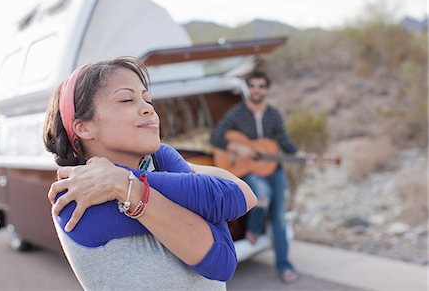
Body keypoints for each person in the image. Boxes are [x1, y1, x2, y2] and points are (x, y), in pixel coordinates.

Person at [43, 56, 257, 290]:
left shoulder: (160, 158)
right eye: (126, 99)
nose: (148, 108)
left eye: (147, 99)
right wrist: (125, 183)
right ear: (84, 127)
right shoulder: (76, 200)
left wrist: (123, 181)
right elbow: (223, 262)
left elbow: (237, 196)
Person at [210, 70, 304, 284]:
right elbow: (215, 137)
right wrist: (237, 148)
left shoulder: (274, 115)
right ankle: (254, 227)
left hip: (274, 170)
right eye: (252, 86)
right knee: (262, 194)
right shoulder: (236, 113)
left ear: (267, 89)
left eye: (261, 86)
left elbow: (284, 141)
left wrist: (300, 155)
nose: (257, 90)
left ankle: (284, 265)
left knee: (279, 218)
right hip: (250, 171)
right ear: (248, 88)